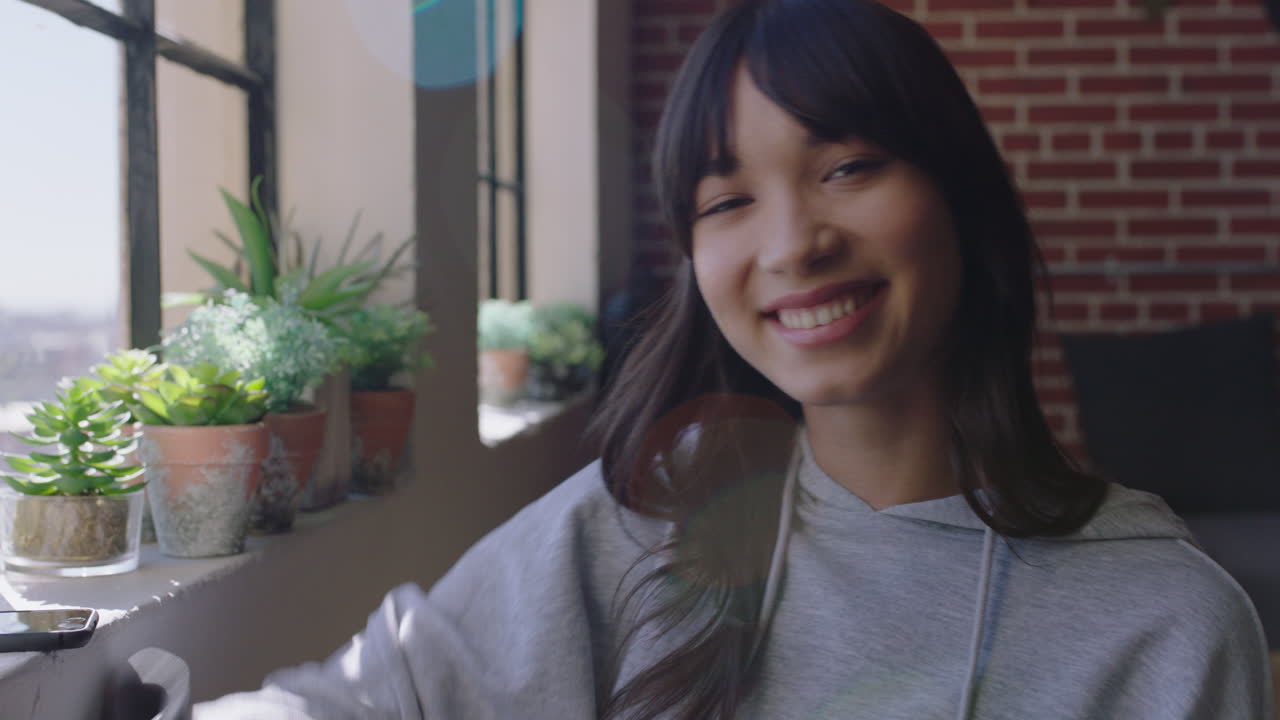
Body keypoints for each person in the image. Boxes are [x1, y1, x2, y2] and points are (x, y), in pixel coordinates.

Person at [195, 0, 1275, 717]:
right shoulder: (632, 534)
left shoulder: (1165, 626)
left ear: (959, 195)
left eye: (847, 165)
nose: (791, 242)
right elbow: (357, 703)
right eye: (727, 200)